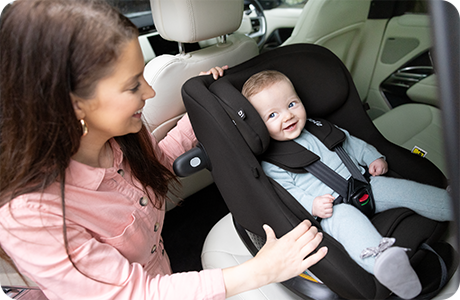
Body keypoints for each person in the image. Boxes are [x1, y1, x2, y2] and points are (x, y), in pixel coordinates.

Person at [0, 1, 328, 299]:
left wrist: (207, 107)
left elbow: (159, 165)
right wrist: (261, 270)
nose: (151, 91)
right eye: (132, 85)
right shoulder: (30, 214)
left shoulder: (120, 134)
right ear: (74, 106)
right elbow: (136, 294)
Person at [242, 70, 453, 299]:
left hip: (364, 185)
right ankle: (385, 263)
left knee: (406, 191)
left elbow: (352, 144)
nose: (287, 116)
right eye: (272, 115)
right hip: (332, 209)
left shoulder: (320, 127)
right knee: (349, 225)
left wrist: (372, 157)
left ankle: (446, 203)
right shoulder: (272, 163)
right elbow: (289, 193)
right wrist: (312, 205)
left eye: (292, 104)